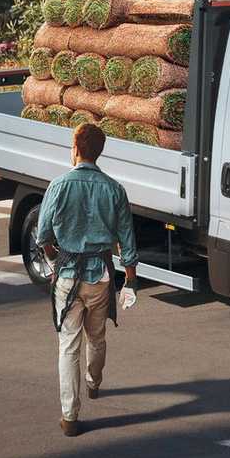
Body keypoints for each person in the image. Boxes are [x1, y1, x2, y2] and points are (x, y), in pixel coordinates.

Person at [36, 123, 138, 437]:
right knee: (97, 337)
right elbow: (127, 241)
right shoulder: (115, 189)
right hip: (101, 277)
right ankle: (94, 383)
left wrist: (56, 254)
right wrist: (130, 282)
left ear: (77, 148)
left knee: (68, 347)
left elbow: (43, 235)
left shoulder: (58, 185)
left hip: (66, 277)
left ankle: (70, 417)